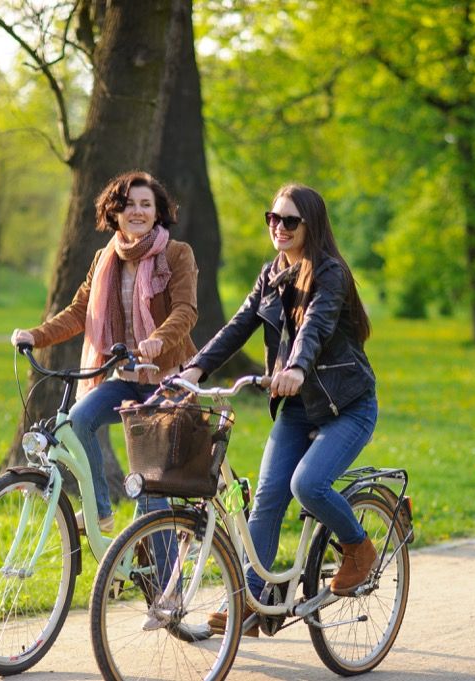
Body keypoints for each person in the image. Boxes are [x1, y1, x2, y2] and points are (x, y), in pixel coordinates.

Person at [178, 183, 378, 635]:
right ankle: (253, 602)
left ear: (311, 225)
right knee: (267, 500)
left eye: (290, 221)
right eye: (273, 218)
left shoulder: (330, 273)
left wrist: (297, 368)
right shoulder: (271, 274)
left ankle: (358, 547)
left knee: (307, 484)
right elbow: (239, 324)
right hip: (298, 408)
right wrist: (196, 369)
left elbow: (316, 326)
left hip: (347, 405)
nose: (279, 228)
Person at [11, 170, 199, 533]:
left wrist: (160, 338)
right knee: (78, 420)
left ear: (158, 211)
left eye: (146, 205)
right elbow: (82, 312)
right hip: (125, 378)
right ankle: (99, 511)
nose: (138, 212)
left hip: (168, 382)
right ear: (115, 213)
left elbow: (186, 310)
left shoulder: (176, 254)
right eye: (129, 205)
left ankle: (165, 590)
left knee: (148, 486)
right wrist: (35, 335)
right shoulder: (105, 259)